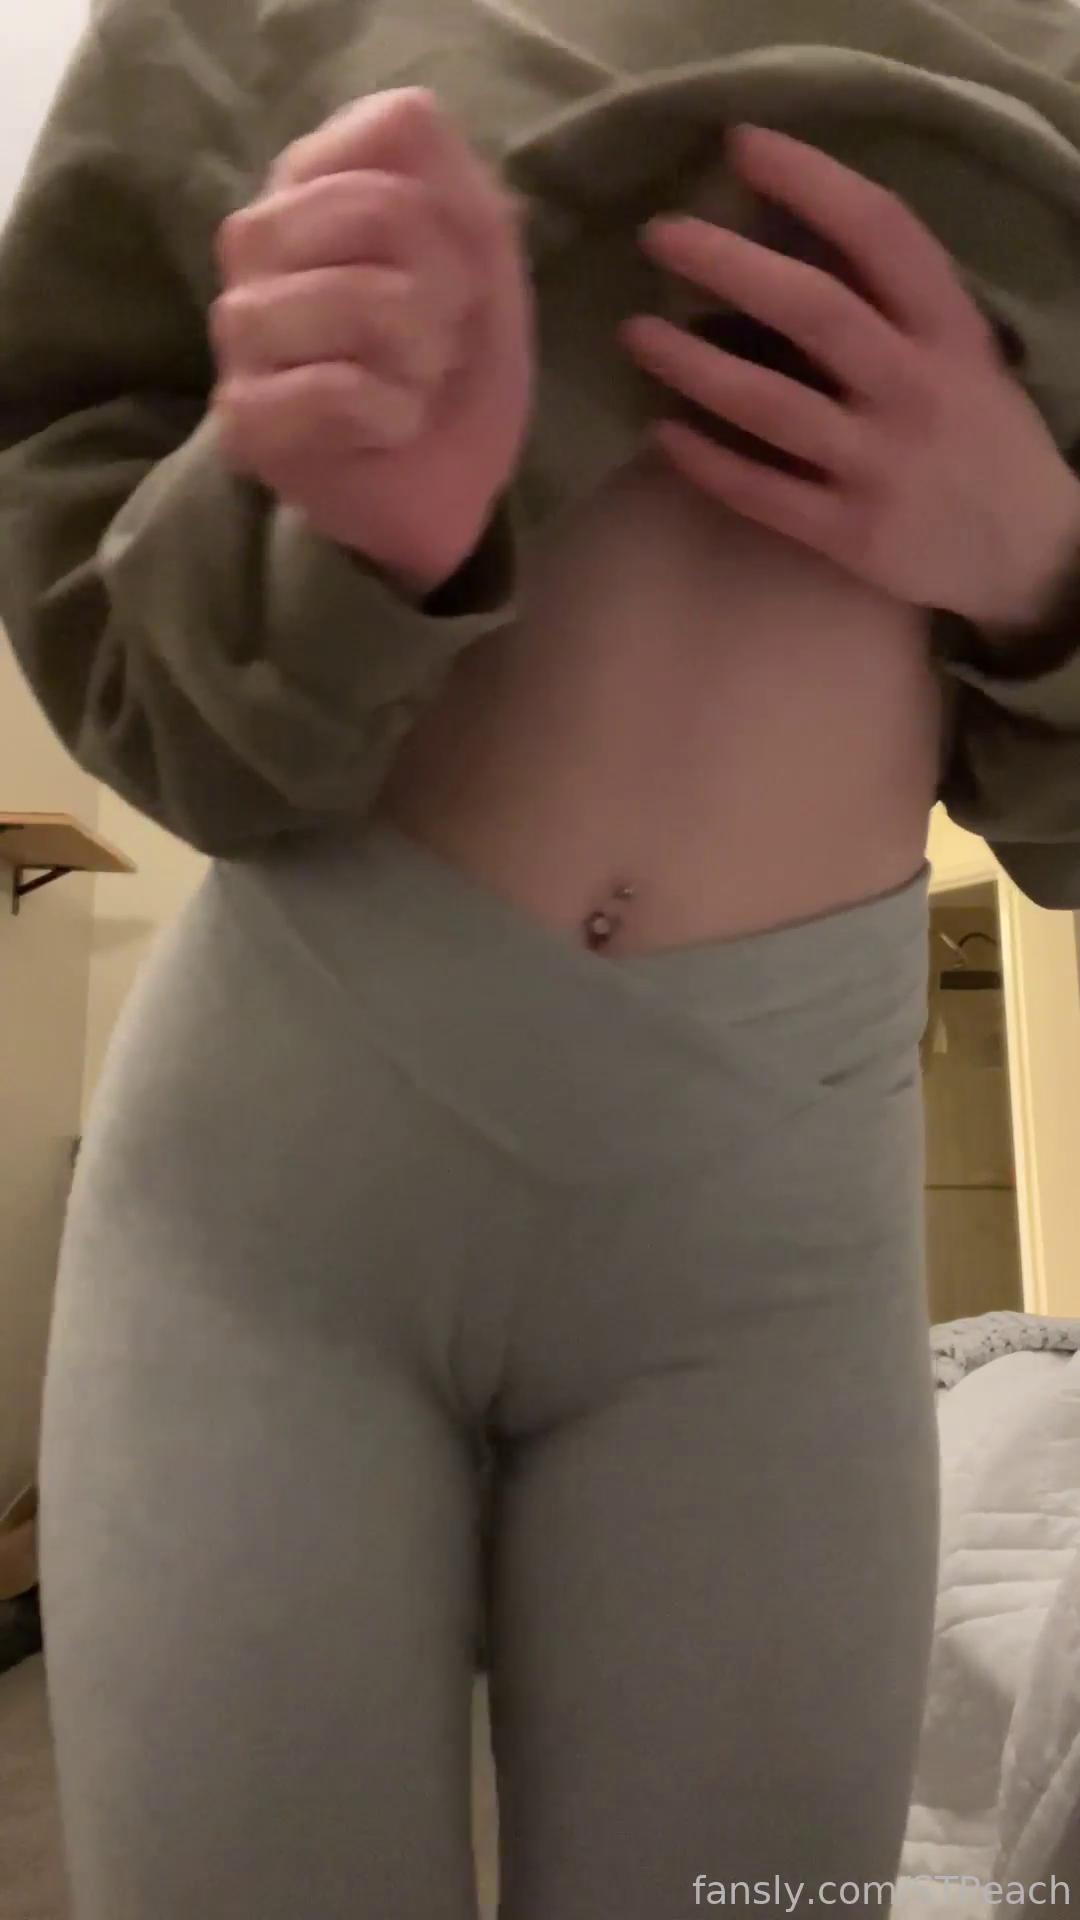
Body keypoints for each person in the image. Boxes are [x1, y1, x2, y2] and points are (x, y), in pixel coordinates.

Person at [3, 0, 1080, 1915]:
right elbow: (125, 665)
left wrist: (1043, 566)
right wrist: (329, 546)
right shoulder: (216, 20)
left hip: (762, 1267)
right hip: (274, 1209)